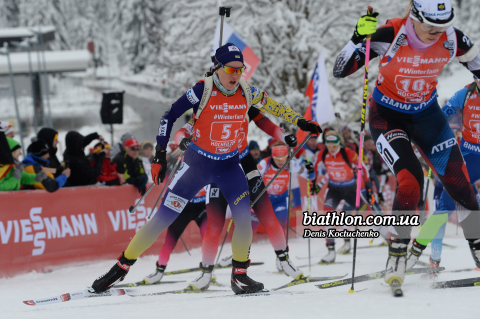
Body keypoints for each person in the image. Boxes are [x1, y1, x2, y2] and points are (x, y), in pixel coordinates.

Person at [90, 42, 321, 295]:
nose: (235, 75)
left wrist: (301, 121)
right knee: (161, 220)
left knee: (244, 218)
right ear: (218, 67)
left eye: (239, 69)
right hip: (197, 165)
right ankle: (120, 268)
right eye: (230, 69)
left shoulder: (246, 91)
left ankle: (240, 276)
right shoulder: (202, 90)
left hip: (229, 166)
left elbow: (274, 107)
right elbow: (169, 116)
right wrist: (159, 154)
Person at [334, 0, 480, 286]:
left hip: (427, 116)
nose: (437, 31)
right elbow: (341, 70)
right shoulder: (390, 33)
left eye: (443, 24)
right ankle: (397, 255)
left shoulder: (454, 38)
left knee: (460, 183)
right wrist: (356, 38)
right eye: (431, 24)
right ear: (414, 16)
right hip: (387, 116)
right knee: (410, 179)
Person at [406, 76, 480, 270]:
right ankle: (414, 255)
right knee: (444, 211)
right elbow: (440, 116)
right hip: (469, 157)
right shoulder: (466, 94)